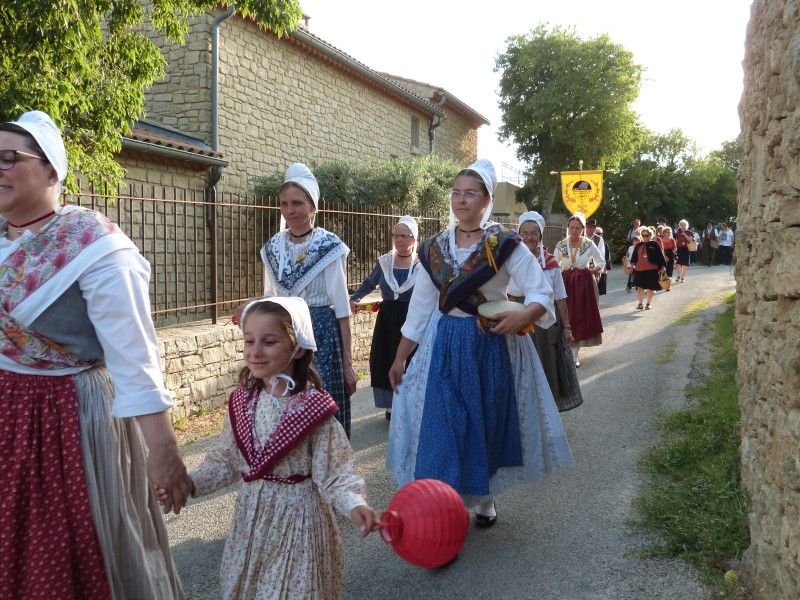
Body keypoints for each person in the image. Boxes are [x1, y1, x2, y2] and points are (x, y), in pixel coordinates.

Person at [0, 110, 189, 598]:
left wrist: (163, 451)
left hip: (65, 421)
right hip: (8, 417)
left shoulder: (94, 245)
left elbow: (134, 358)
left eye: (7, 158)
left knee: (67, 548)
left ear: (51, 171)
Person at [386, 159, 571, 528]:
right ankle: (444, 506)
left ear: (486, 200)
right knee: (442, 424)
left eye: (470, 194)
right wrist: (400, 357)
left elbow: (540, 292)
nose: (461, 200)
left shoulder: (505, 245)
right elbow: (421, 309)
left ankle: (485, 497)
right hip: (443, 346)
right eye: (456, 193)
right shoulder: (434, 249)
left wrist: (524, 315)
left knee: (483, 420)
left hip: (489, 345)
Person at [166, 297, 376, 600]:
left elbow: (335, 472)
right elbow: (225, 461)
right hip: (251, 522)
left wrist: (355, 504)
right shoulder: (242, 402)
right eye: (249, 340)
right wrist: (188, 483)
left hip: (299, 524)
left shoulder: (312, 409)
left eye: (269, 342)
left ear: (298, 347)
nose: (255, 351)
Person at [260, 164, 358, 438]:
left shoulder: (329, 247)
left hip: (321, 335)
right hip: (284, 335)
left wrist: (348, 365)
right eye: (285, 204)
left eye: (298, 203)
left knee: (321, 409)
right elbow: (270, 299)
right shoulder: (272, 249)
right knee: (285, 404)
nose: (290, 210)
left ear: (313, 207)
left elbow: (341, 309)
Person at [349, 215, 420, 421]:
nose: (399, 240)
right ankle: (391, 405)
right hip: (388, 320)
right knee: (385, 359)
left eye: (404, 236)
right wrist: (355, 297)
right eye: (396, 235)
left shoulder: (421, 265)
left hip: (412, 317)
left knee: (411, 360)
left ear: (414, 238)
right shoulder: (385, 262)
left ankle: (410, 403)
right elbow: (370, 283)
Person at [511, 211, 583, 411]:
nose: (529, 238)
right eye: (524, 233)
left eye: (534, 233)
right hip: (516, 321)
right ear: (518, 235)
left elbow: (560, 298)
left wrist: (567, 327)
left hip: (545, 324)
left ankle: (545, 412)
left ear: (541, 236)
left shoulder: (551, 264)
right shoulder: (509, 261)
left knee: (545, 368)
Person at [553, 212, 605, 368]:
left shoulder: (588, 244)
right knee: (566, 316)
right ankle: (567, 350)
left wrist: (591, 271)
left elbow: (601, 261)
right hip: (565, 283)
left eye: (577, 228)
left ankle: (574, 355)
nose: (574, 231)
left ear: (583, 229)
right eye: (571, 227)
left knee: (579, 317)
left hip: (583, 285)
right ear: (568, 228)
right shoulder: (561, 245)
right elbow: (555, 264)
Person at [630, 227, 667, 310]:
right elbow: (634, 258)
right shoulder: (638, 245)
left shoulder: (655, 244)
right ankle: (640, 303)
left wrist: (663, 266)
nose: (645, 237)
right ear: (641, 236)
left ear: (651, 235)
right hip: (639, 269)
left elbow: (660, 256)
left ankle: (648, 303)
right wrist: (631, 267)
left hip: (652, 269)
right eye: (643, 235)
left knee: (650, 287)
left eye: (647, 235)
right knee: (639, 287)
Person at [594, 226, 611, 295]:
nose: (598, 235)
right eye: (596, 233)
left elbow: (607, 256)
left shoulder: (604, 244)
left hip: (601, 267)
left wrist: (606, 266)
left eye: (599, 233)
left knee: (600, 286)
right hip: (593, 267)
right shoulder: (590, 242)